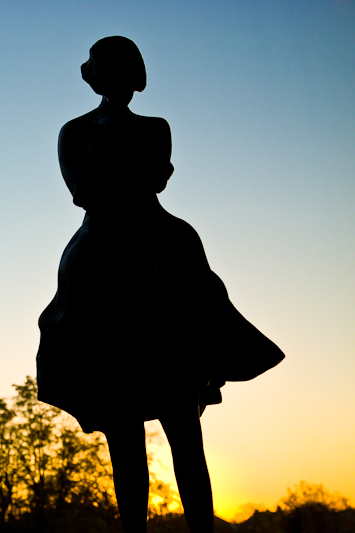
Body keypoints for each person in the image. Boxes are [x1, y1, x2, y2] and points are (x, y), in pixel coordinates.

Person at [36, 36, 285, 533]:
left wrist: (124, 180)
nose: (121, 81)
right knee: (123, 436)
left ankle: (208, 348)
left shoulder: (156, 127)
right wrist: (123, 181)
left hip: (154, 228)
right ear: (97, 77)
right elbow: (82, 190)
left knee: (185, 434)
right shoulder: (74, 130)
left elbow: (157, 177)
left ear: (136, 78)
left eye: (129, 71)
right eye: (110, 70)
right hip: (100, 234)